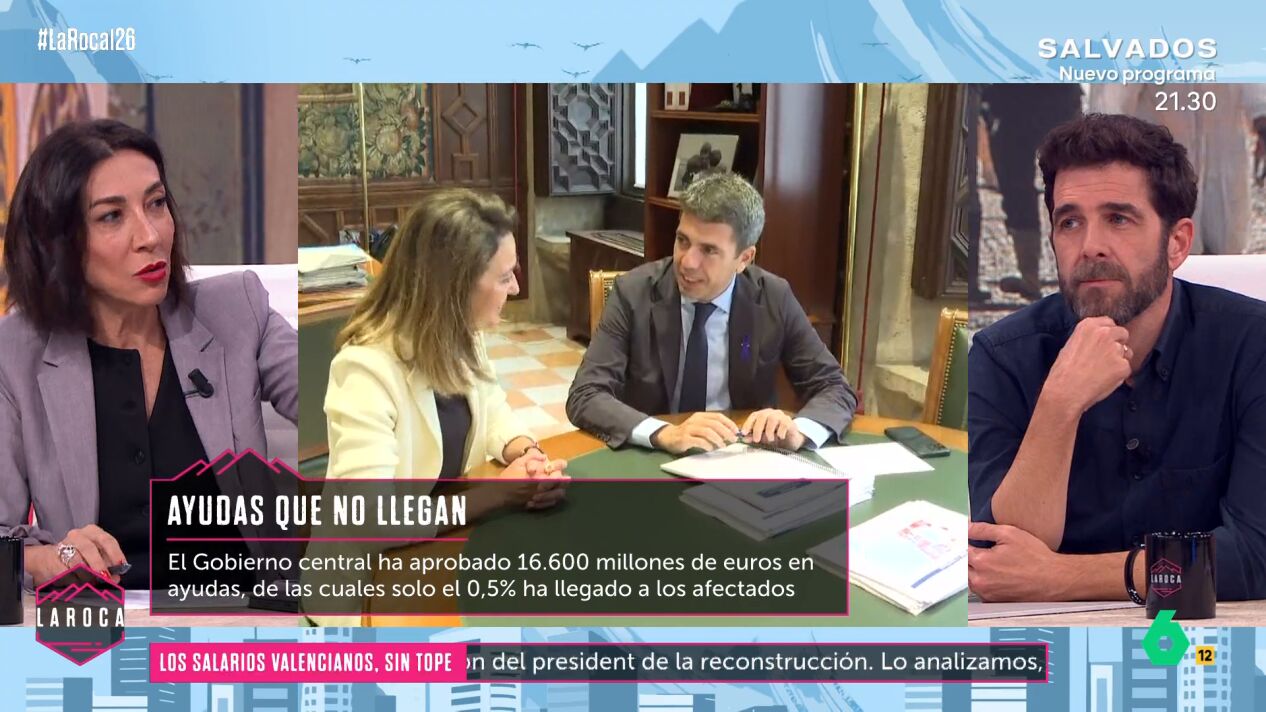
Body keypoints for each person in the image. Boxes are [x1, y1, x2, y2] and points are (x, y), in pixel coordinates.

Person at [967, 114, 1266, 602]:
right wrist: (1060, 404)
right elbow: (1002, 562)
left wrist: (1064, 577)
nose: (1090, 247)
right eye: (1070, 222)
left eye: (1118, 219)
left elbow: (1255, 554)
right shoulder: (1003, 356)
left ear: (1177, 243)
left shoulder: (1252, 345)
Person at [0, 119, 298, 589]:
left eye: (156, 204)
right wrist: (48, 560)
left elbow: (334, 398)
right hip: (101, 621)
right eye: (111, 216)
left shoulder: (237, 310)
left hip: (245, 607)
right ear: (57, 241)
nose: (150, 235)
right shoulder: (15, 354)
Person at [566, 171, 856, 454]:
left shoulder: (773, 298)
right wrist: (663, 433)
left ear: (744, 259)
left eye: (708, 250)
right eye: (683, 240)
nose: (688, 262)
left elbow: (835, 387)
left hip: (741, 457)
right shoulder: (634, 292)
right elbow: (586, 394)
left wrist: (800, 431)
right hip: (656, 457)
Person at [324, 188, 567, 511]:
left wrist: (528, 454)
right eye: (504, 277)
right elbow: (370, 516)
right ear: (456, 286)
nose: (515, 288)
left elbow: (493, 411)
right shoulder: (365, 370)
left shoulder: (463, 334)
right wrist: (497, 494)